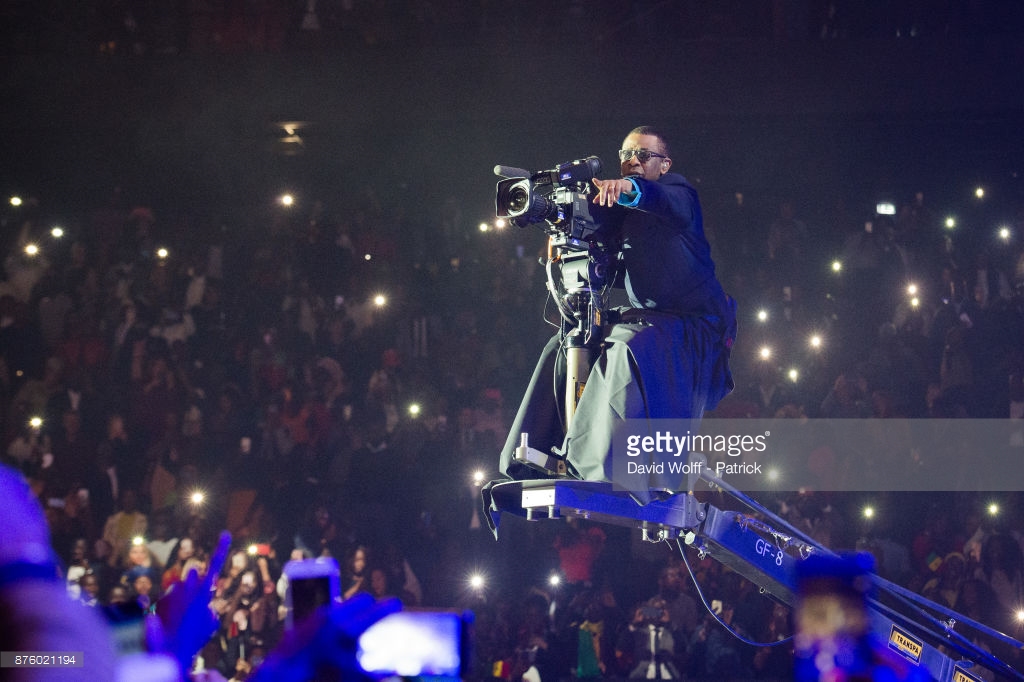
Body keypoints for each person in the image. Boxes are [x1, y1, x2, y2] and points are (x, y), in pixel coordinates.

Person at [495, 126, 735, 502]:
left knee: (627, 349)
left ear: (664, 164)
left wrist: (627, 188)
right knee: (566, 344)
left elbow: (657, 198)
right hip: (654, 319)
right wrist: (544, 209)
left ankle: (596, 464)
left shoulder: (678, 191)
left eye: (643, 155)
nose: (632, 162)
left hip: (697, 326)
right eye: (625, 156)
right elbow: (589, 227)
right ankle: (534, 452)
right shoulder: (617, 209)